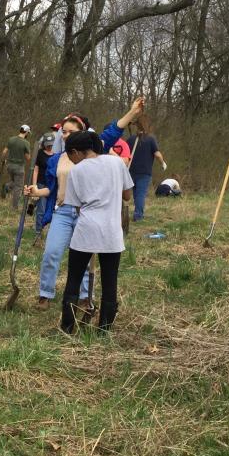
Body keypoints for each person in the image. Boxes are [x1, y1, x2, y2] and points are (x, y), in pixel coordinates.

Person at [25, 97, 144, 310]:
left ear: (83, 132)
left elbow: (114, 130)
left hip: (86, 212)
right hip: (62, 211)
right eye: (63, 131)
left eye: (70, 131)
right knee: (51, 252)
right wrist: (36, 191)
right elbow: (53, 190)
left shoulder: (91, 149)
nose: (64, 135)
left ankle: (84, 296)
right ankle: (45, 294)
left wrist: (132, 113)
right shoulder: (57, 158)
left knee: (85, 259)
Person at [58, 130, 133, 334]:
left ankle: (67, 327)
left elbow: (76, 206)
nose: (71, 161)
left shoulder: (77, 171)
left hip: (85, 232)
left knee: (73, 279)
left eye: (70, 156)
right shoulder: (116, 163)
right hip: (111, 232)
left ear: (75, 152)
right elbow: (127, 195)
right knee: (110, 281)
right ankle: (104, 330)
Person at [125, 116, 167, 221]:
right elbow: (157, 154)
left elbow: (125, 154)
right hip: (144, 172)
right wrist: (163, 163)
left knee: (136, 193)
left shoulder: (130, 139)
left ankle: (137, 212)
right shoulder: (150, 139)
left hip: (131, 172)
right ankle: (138, 216)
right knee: (140, 194)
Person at [1, 125, 31, 210]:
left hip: (9, 166)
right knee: (18, 187)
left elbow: (4, 151)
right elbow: (28, 158)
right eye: (28, 132)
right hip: (19, 167)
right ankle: (14, 207)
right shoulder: (26, 143)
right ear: (26, 132)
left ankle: (7, 186)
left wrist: (3, 160)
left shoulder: (11, 139)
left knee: (14, 182)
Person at [31, 132, 55, 236]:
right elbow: (35, 170)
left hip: (52, 186)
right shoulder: (40, 154)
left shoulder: (56, 154)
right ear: (44, 143)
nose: (49, 146)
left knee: (50, 209)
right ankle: (38, 232)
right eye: (47, 144)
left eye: (51, 144)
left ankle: (32, 205)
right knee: (41, 209)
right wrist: (34, 185)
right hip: (41, 184)